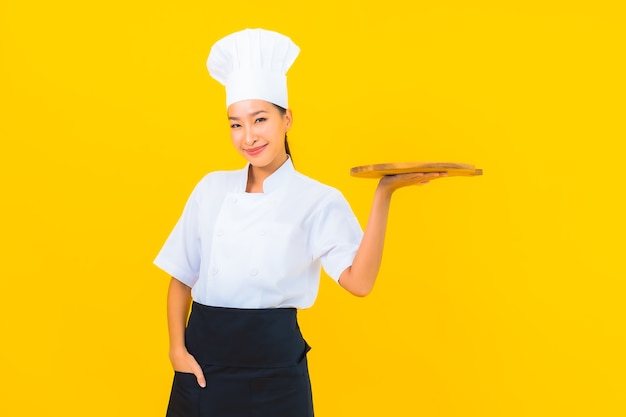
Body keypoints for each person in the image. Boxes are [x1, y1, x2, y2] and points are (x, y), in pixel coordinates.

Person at [154, 28, 446, 417]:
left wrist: (383, 194)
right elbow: (181, 277)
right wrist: (177, 350)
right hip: (204, 367)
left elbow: (359, 283)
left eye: (260, 120)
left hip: (276, 374)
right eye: (236, 124)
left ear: (287, 118)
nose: (248, 137)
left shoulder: (318, 200)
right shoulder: (211, 189)